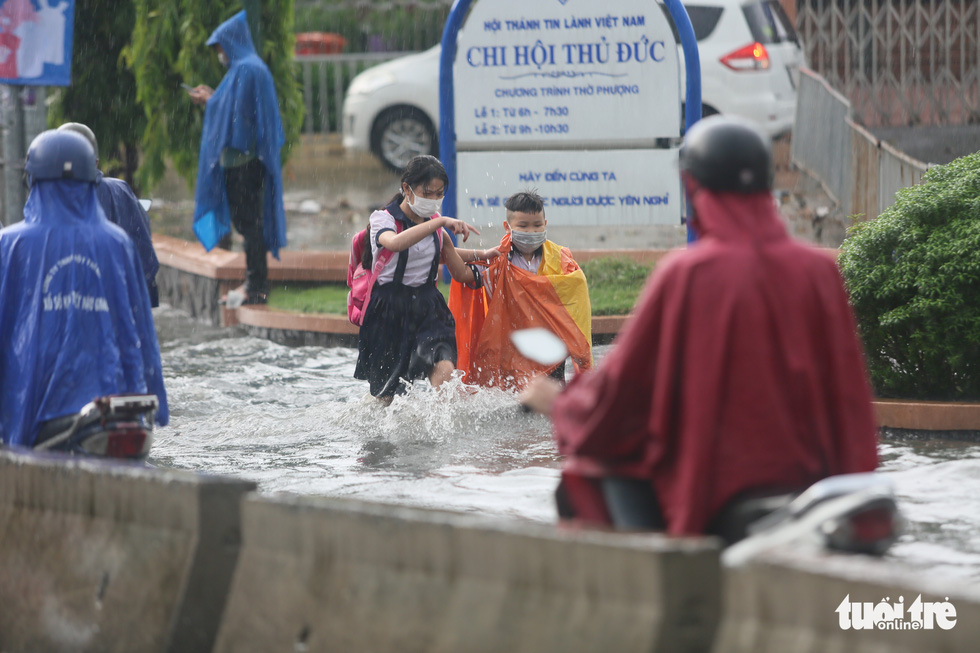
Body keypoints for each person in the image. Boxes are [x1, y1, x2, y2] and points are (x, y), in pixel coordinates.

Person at [520, 115, 879, 539]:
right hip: (816, 489)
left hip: (717, 494)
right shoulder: (820, 272)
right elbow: (851, 398)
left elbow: (622, 392)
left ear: (693, 188)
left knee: (592, 466)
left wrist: (562, 404)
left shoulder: (687, 273)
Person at [0, 129, 169, 448]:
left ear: (32, 182)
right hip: (117, 407)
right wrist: (158, 400)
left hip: (38, 413)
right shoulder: (117, 244)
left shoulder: (11, 244)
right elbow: (143, 331)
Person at [354, 154, 497, 401]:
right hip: (388, 310)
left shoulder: (435, 228)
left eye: (439, 193)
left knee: (446, 376)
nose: (433, 200)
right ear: (407, 189)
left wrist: (485, 256)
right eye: (427, 193)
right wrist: (439, 222)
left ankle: (448, 436)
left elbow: (450, 258)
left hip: (428, 308)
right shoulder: (383, 220)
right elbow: (396, 244)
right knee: (386, 399)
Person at [186, 10, 286, 305]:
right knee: (249, 222)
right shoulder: (250, 68)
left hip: (242, 163)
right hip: (249, 161)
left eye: (219, 48)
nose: (220, 54)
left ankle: (256, 285)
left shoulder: (245, 69)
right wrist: (216, 98)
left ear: (230, 41)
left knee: (248, 223)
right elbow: (239, 111)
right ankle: (254, 282)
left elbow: (239, 119)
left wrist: (210, 101)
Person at [449, 189, 592, 389]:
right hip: (514, 346)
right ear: (508, 227)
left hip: (551, 348)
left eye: (537, 225)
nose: (531, 232)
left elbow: (575, 297)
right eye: (523, 226)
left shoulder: (561, 259)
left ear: (545, 224)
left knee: (553, 401)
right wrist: (445, 245)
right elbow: (463, 274)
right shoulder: (499, 261)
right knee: (517, 402)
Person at [57, 122, 161, 307]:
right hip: (121, 308)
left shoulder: (48, 200)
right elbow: (145, 259)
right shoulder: (120, 191)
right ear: (95, 161)